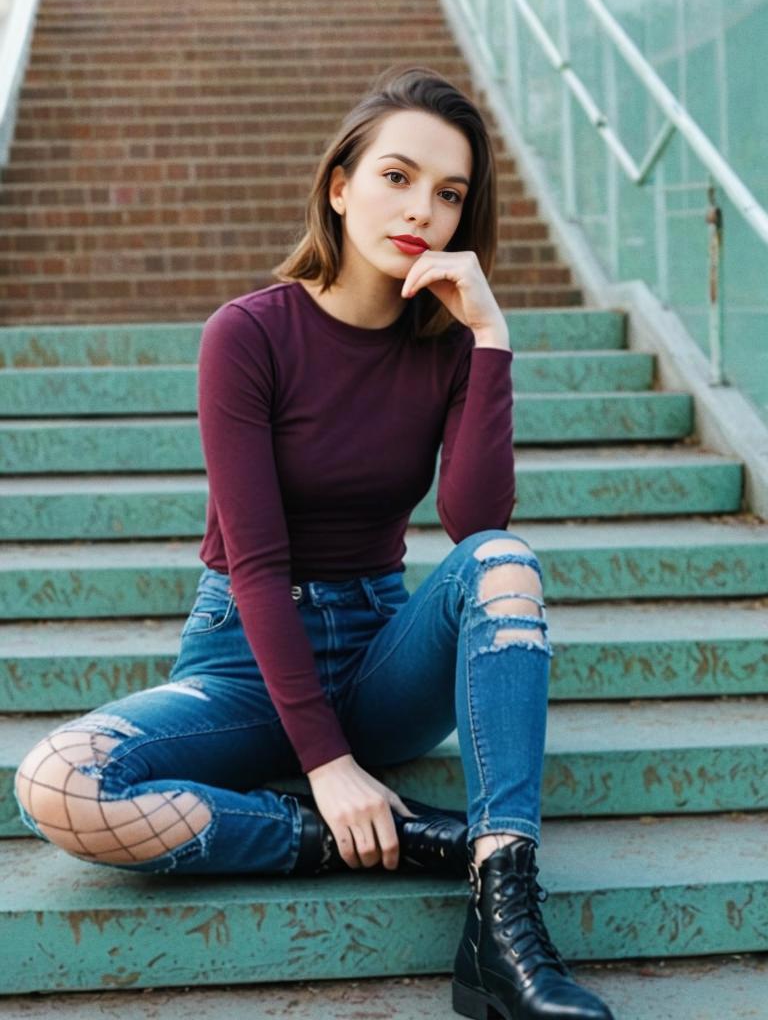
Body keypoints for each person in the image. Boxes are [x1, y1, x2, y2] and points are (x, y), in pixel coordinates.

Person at [13, 66, 614, 1019]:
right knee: (58, 785)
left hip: (381, 655)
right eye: (397, 177)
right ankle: (388, 838)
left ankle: (504, 909)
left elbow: (472, 523)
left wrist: (491, 338)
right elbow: (254, 563)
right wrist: (330, 774)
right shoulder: (247, 335)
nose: (421, 209)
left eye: (449, 194)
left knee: (506, 562)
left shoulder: (450, 344)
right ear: (340, 185)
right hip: (244, 662)